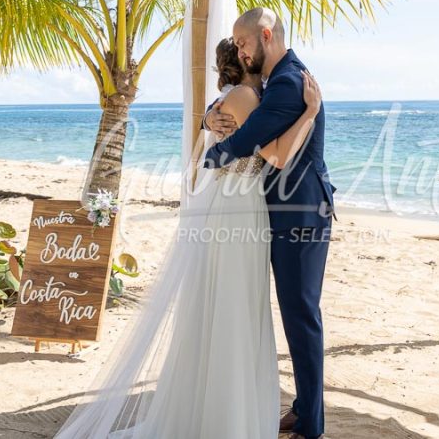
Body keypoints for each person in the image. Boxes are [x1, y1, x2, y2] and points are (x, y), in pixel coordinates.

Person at [54, 38, 323, 439]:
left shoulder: (228, 99)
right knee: (237, 308)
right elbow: (278, 156)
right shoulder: (249, 98)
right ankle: (230, 415)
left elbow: (215, 143)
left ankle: (212, 404)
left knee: (221, 304)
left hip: (228, 205)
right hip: (242, 208)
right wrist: (311, 113)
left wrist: (205, 120)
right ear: (246, 60)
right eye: (248, 51)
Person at [204, 8, 335, 439]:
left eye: (243, 44)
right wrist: (210, 114)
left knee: (301, 314)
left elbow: (247, 139)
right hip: (279, 211)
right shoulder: (275, 80)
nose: (241, 53)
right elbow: (241, 101)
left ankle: (311, 425)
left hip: (300, 212)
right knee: (294, 313)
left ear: (266, 35)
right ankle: (302, 409)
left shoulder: (288, 83)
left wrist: (213, 154)